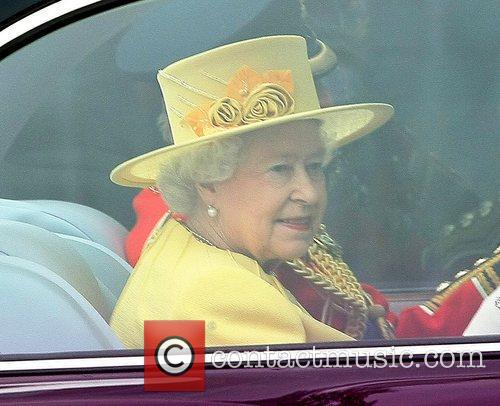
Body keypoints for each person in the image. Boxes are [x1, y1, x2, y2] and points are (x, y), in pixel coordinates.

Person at [109, 35, 394, 347]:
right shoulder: (221, 294)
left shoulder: (181, 241)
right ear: (207, 181)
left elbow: (180, 391)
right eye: (280, 169)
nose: (309, 193)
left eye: (315, 167)